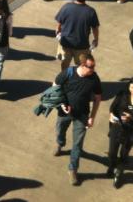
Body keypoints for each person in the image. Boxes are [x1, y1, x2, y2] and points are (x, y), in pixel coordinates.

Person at [53, 53, 103, 186]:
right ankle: (60, 142)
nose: (93, 69)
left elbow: (98, 98)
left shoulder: (94, 78)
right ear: (82, 65)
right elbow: (55, 85)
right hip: (64, 112)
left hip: (82, 115)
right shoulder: (69, 73)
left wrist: (92, 117)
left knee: (78, 144)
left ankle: (73, 169)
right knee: (60, 130)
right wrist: (62, 104)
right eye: (90, 67)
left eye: (94, 66)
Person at [55, 0, 100, 71]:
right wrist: (96, 39)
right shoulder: (90, 11)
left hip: (65, 43)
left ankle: (64, 78)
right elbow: (95, 28)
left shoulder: (66, 7)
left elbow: (59, 23)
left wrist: (58, 32)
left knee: (65, 64)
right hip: (82, 45)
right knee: (82, 66)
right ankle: (79, 80)